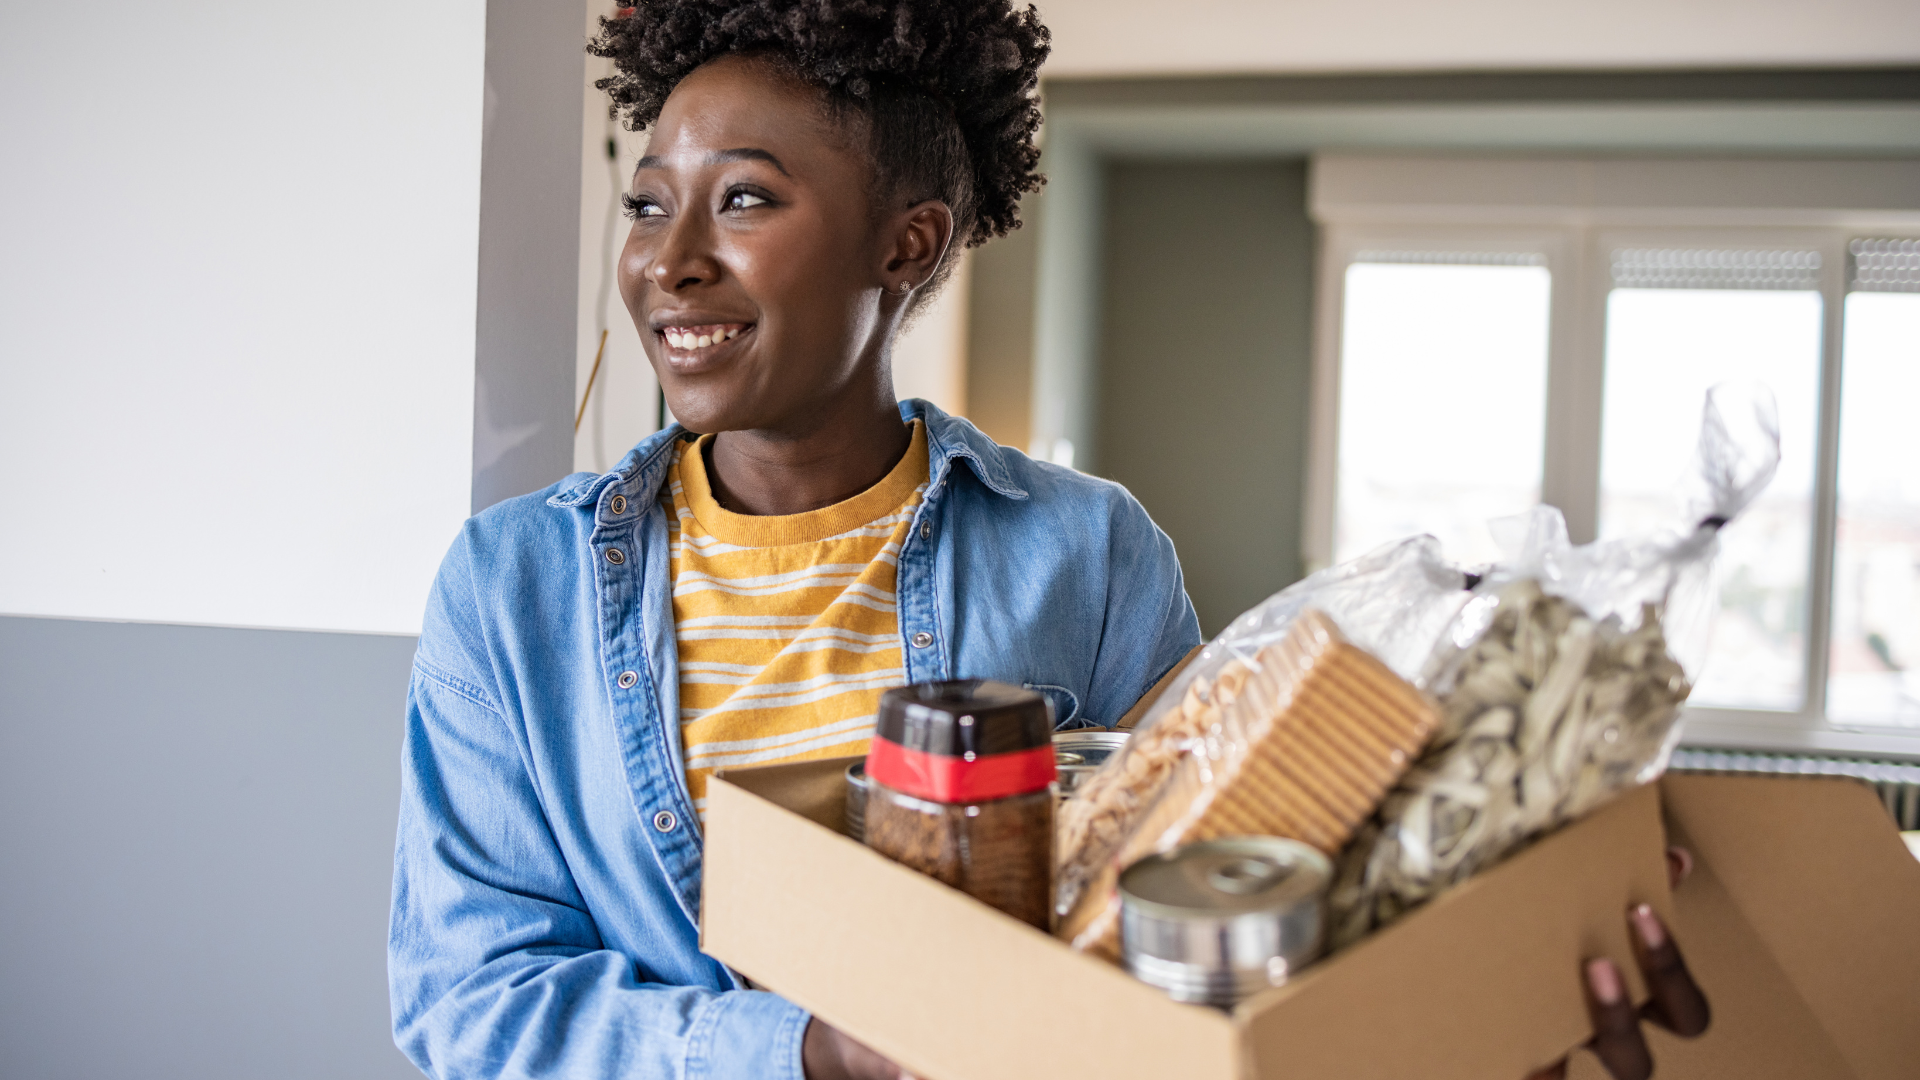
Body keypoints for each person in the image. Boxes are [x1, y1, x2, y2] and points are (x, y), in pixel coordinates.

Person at [388, 3, 1705, 1078]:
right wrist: (810, 1054)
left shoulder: (1087, 553)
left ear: (906, 245)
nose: (668, 261)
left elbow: (1195, 916)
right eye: (647, 202)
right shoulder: (515, 589)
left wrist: (1490, 947)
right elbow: (471, 1001)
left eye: (742, 202)